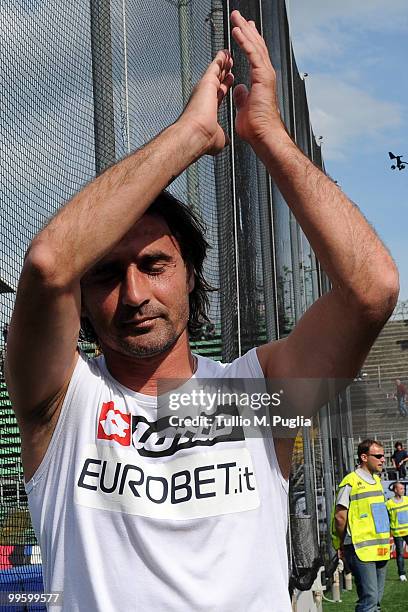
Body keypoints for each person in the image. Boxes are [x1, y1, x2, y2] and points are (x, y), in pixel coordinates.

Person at [5, 11, 399, 612]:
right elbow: (50, 262)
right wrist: (189, 136)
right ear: (81, 300)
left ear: (192, 276)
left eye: (155, 266)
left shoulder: (253, 395)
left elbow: (371, 289)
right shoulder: (64, 402)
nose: (134, 295)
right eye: (107, 275)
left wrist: (267, 133)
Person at [332, 439, 390, 611]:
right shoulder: (350, 481)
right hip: (359, 548)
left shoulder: (377, 481)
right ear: (364, 457)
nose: (383, 459)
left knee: (376, 602)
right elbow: (340, 517)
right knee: (369, 600)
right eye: (378, 456)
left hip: (380, 547)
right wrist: (343, 543)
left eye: (383, 456)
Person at [386, 481, 408, 582]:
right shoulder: (389, 504)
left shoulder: (407, 500)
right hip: (397, 533)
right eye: (401, 489)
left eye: (403, 488)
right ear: (395, 490)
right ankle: (402, 574)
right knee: (400, 554)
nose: (403, 490)